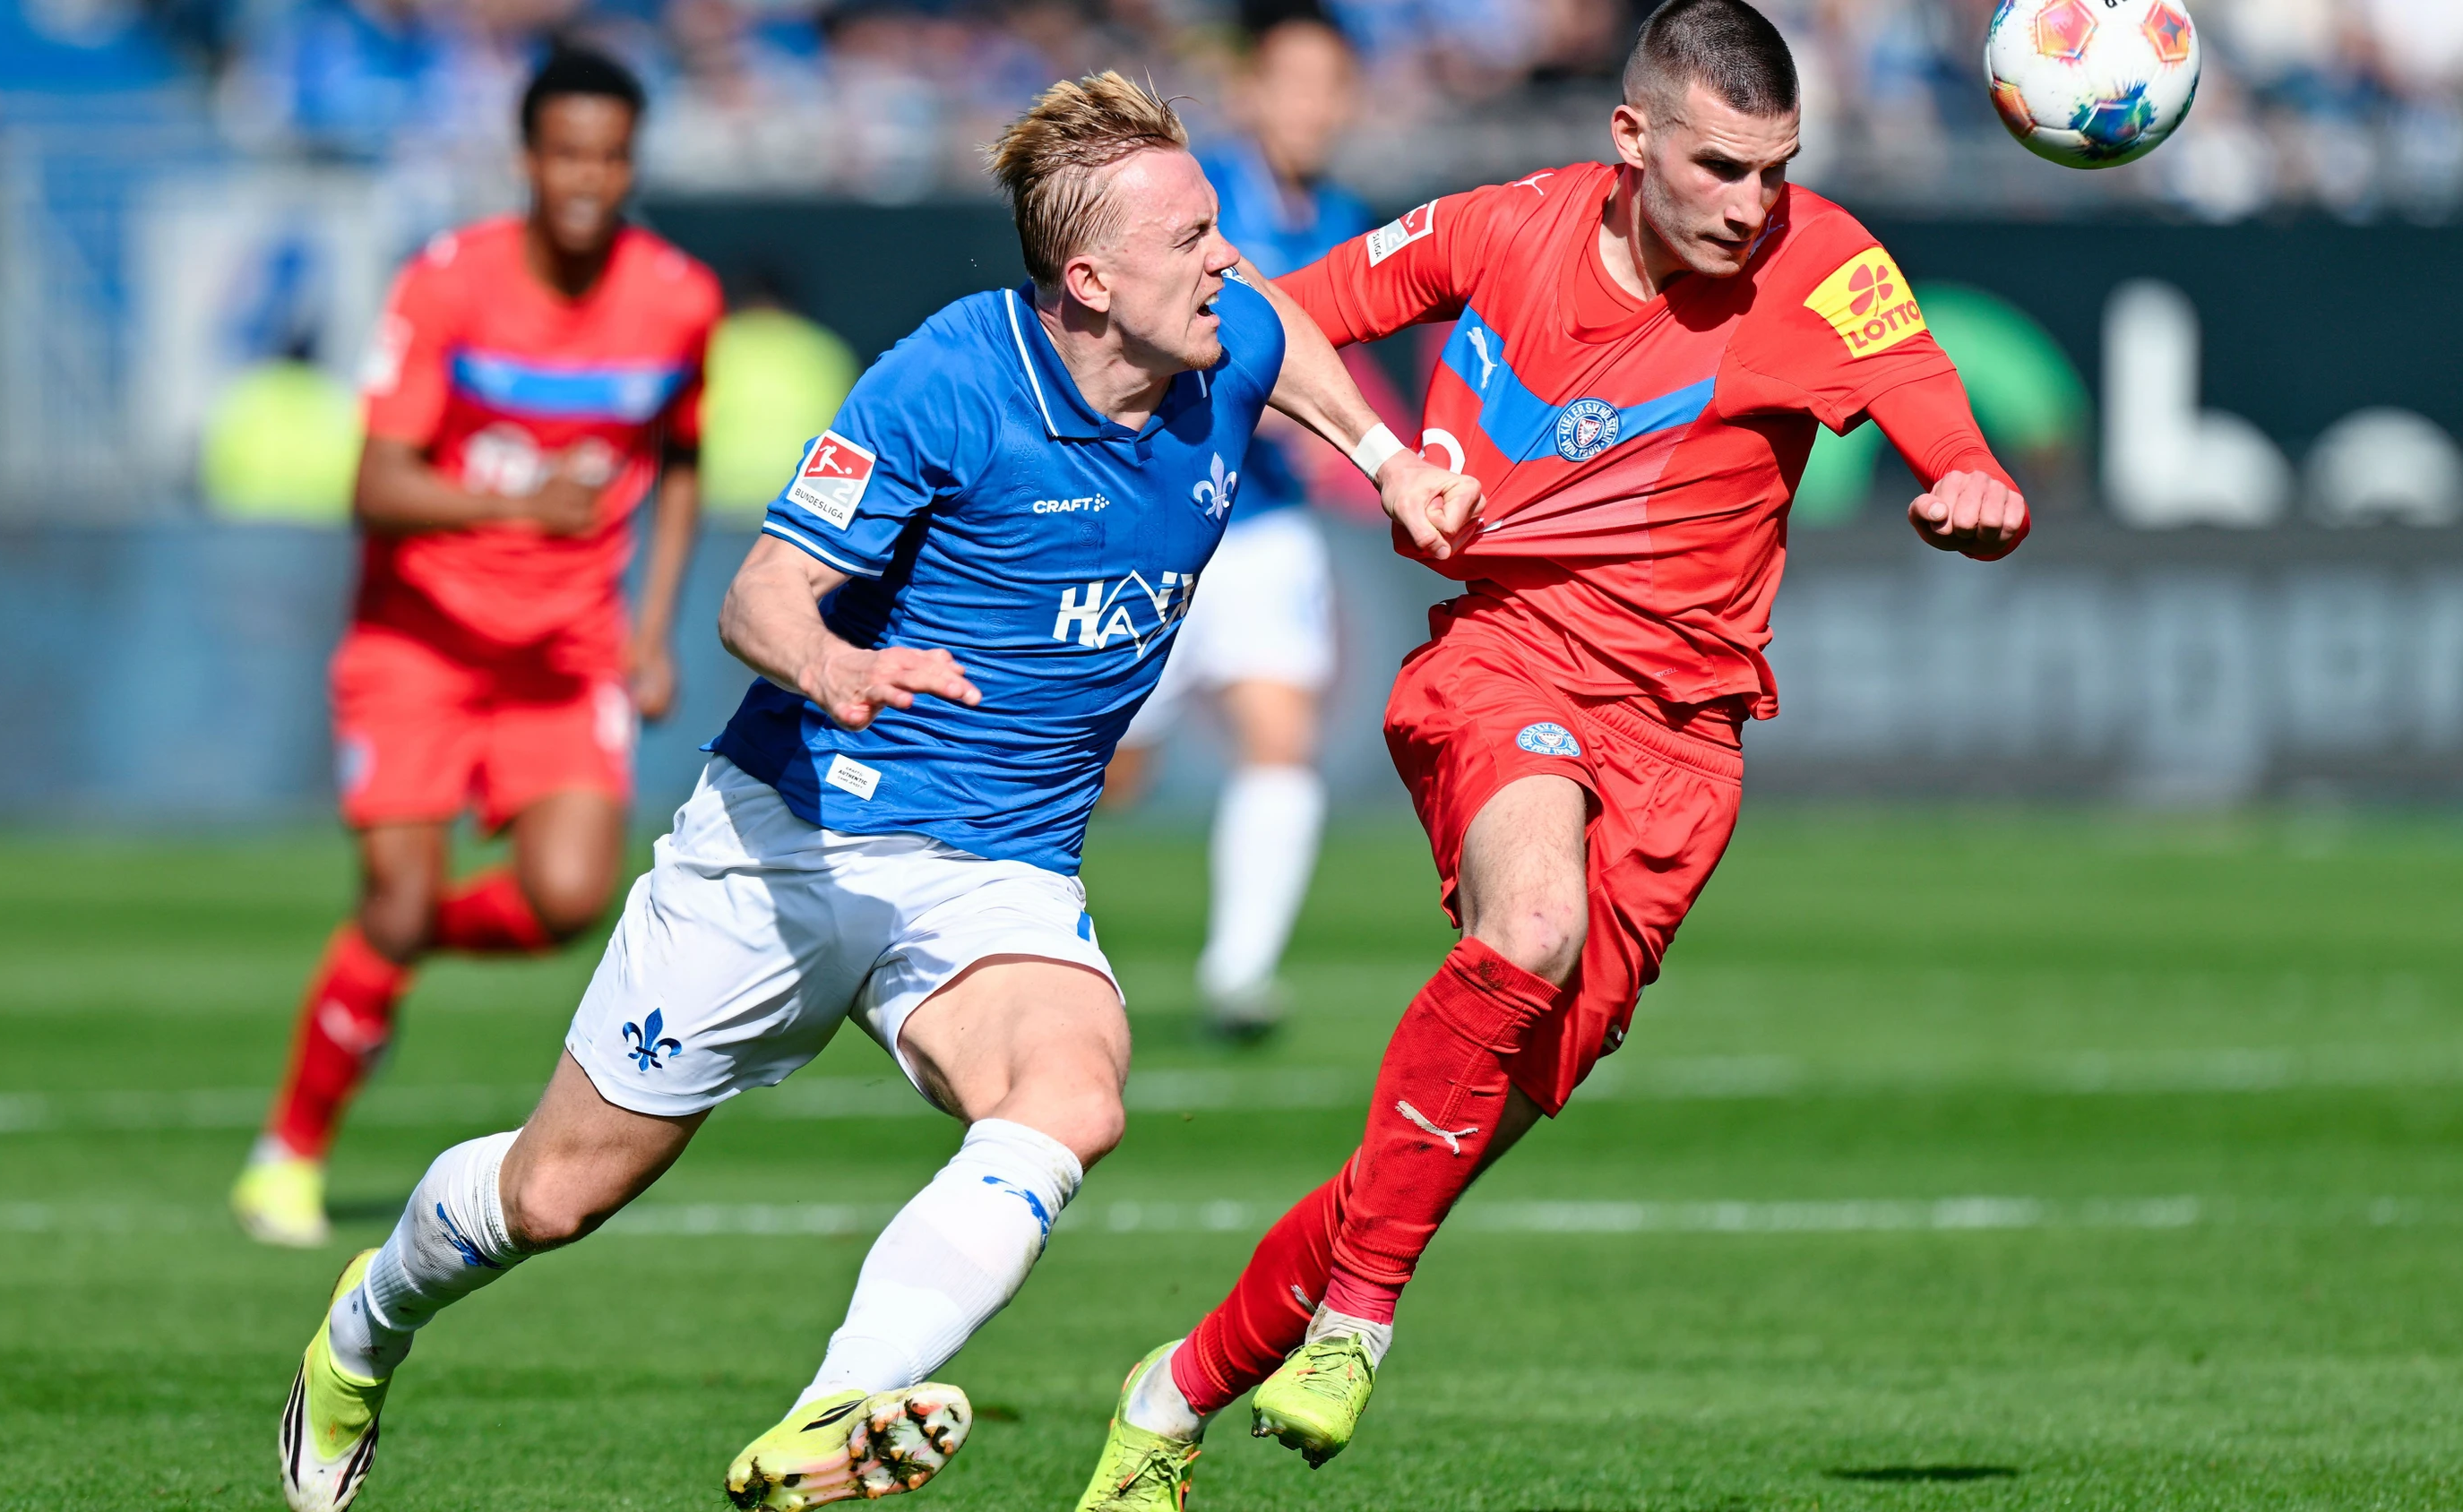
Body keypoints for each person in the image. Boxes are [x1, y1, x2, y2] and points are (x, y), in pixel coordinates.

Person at [271, 73, 1477, 1512]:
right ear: (1088, 281)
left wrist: (1393, 463)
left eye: (1220, 230)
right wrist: (837, 670)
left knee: (1071, 1093)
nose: (1229, 260)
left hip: (999, 870)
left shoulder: (1229, 335)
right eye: (1193, 238)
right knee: (553, 1196)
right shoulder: (949, 381)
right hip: (796, 836)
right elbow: (762, 597)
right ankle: (360, 1335)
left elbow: (1295, 344)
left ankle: (835, 1405)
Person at [1067, 3, 2032, 1504]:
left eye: (1777, 169)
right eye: (1720, 168)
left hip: (1684, 748)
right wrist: (1211, 390)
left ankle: (1175, 1385)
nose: (1752, 206)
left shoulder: (1826, 266)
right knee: (1528, 923)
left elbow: (1936, 419)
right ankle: (1361, 1321)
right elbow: (1277, 313)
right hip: (1505, 659)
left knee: (1425, 1156)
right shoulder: (1498, 228)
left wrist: (1974, 481)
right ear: (1630, 139)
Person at [230, 46, 719, 1250]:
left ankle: (383, 957)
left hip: (564, 651)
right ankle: (287, 1156)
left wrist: (652, 632)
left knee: (569, 898)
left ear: (631, 163)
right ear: (527, 159)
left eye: (609, 157)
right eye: (566, 154)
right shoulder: (447, 283)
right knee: (398, 889)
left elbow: (682, 460)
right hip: (421, 642)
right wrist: (514, 508)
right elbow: (374, 482)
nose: (587, 180)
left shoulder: (678, 299)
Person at [1103, 7, 1379, 1038]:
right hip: (1158, 517)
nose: (1312, 107)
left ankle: (1239, 976)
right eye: (1293, 83)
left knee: (1282, 736)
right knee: (1115, 768)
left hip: (1265, 529)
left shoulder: (1344, 212)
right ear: (1254, 90)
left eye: (1330, 87)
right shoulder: (1189, 198)